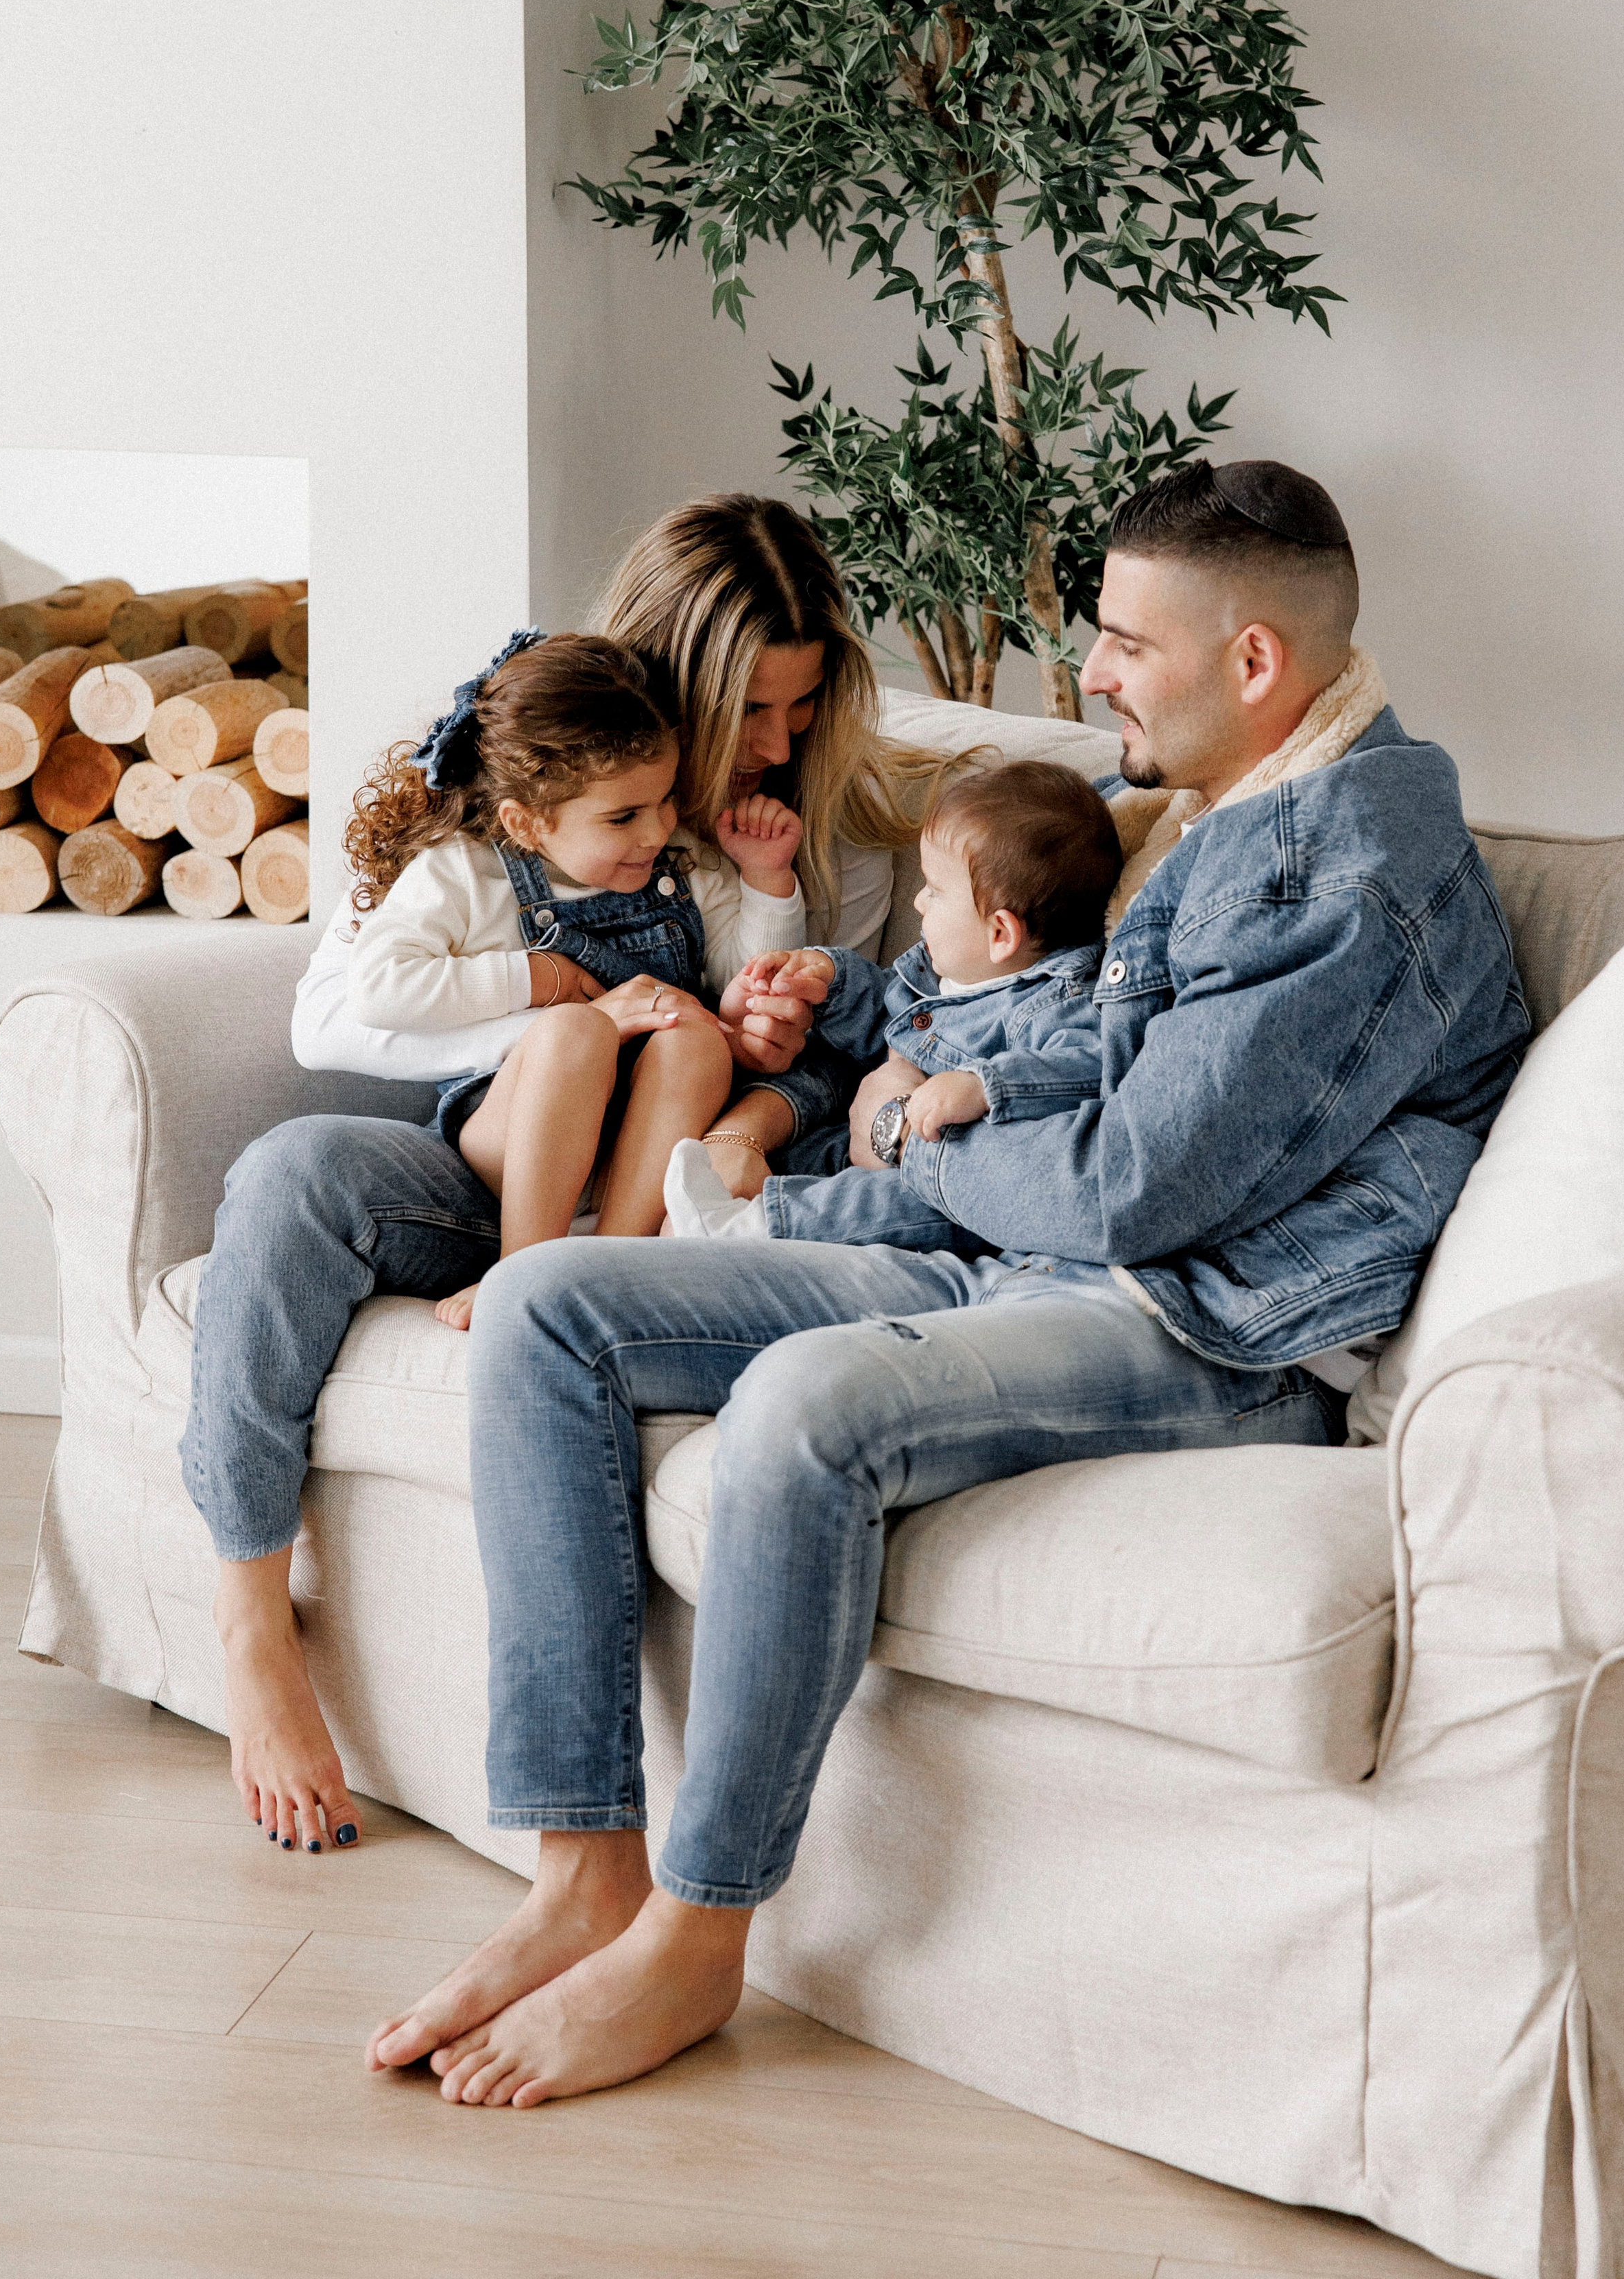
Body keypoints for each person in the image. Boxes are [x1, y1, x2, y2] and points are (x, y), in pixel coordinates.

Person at [364, 457, 1532, 2110]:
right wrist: (835, 1031)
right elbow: (990, 999)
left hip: (1206, 1321)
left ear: (1253, 660)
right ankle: (583, 1872)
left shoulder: (1346, 868)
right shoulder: (1202, 806)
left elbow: (1131, 1190)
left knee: (803, 1405)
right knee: (554, 1309)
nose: (1092, 671)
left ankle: (698, 1933)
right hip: (1028, 1260)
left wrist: (903, 1138)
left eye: (1123, 641)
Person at [183, 495, 945, 1858]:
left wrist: (758, 1089)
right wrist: (564, 1013)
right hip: (504, 1147)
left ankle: (562, 1279)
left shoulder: (832, 836)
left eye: (804, 705)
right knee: (293, 1170)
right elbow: (335, 1019)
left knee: (679, 1065)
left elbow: (856, 1063)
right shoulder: (533, 770)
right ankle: (249, 1618)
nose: (778, 745)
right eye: (751, 710)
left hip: (670, 1186)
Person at [342, 630, 808, 1326]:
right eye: (623, 817)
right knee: (574, 1033)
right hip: (518, 1136)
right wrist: (537, 979)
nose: (656, 831)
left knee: (694, 1038)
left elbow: (752, 982)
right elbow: (377, 986)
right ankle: (521, 1273)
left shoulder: (681, 864)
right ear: (527, 824)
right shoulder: (465, 872)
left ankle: (606, 1266)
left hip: (639, 1146)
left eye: (665, 800)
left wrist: (767, 879)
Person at [664, 758, 1124, 1252]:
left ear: (1000, 933)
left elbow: (1087, 1064)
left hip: (941, 1188)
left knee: (882, 1202)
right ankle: (735, 1205)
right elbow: (895, 1016)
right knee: (813, 1150)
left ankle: (753, 1229)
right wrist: (830, 979)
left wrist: (984, 1085)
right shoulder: (953, 973)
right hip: (860, 1143)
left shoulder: (1058, 1002)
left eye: (935, 890)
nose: (918, 902)